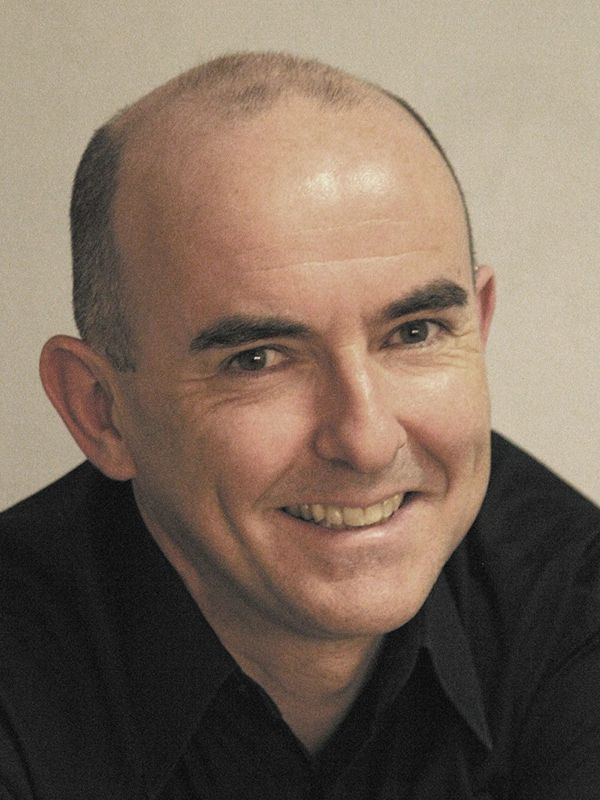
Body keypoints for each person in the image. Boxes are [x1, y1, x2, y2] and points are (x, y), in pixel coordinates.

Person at [1, 52, 598, 800]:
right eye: (257, 359)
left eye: (414, 333)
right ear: (100, 410)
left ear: (476, 329)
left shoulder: (572, 600)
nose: (367, 441)